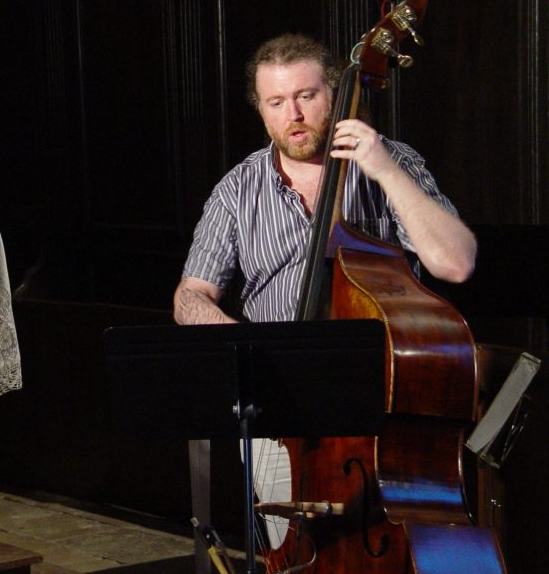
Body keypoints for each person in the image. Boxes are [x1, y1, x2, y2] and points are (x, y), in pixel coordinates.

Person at [172, 33, 477, 546]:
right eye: (277, 102)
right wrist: (257, 352)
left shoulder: (391, 162)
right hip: (280, 413)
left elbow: (456, 264)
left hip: (381, 407)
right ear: (262, 112)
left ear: (334, 96)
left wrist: (382, 168)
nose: (293, 114)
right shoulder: (237, 189)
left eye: (307, 96)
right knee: (295, 564)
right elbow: (190, 297)